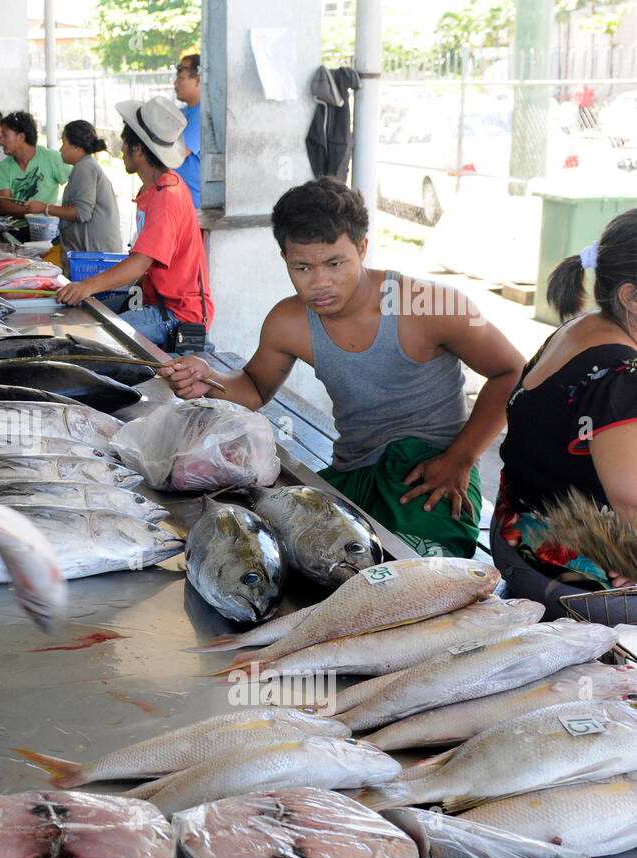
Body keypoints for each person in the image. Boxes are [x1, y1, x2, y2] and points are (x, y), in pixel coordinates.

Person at [154, 176, 525, 558]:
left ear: (362, 249)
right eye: (303, 268)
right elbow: (254, 386)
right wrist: (208, 379)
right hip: (353, 472)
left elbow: (513, 371)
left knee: (415, 579)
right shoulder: (288, 321)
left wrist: (460, 458)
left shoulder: (430, 303)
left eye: (335, 263)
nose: (320, 283)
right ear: (284, 259)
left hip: (432, 475)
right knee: (265, 556)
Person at [493, 210, 637, 616]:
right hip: (565, 571)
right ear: (630, 295)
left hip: (515, 532)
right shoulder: (622, 373)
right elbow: (631, 502)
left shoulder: (581, 329)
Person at [57, 96, 210, 353]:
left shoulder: (166, 198)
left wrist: (86, 286)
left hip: (175, 313)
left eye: (125, 143)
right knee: (87, 315)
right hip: (154, 301)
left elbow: (139, 263)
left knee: (95, 341)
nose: (121, 149)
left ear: (138, 149)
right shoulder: (157, 188)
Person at [24, 120, 121, 261]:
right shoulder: (84, 166)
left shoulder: (85, 168)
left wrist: (45, 208)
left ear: (76, 147)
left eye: (64, 143)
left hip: (93, 256)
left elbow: (82, 213)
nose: (60, 150)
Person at [0, 111, 70, 218]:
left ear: (21, 137)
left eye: (5, 135)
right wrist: (40, 210)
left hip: (48, 229)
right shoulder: (2, 167)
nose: (1, 141)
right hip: (16, 229)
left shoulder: (52, 158)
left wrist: (52, 209)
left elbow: (79, 183)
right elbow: (3, 207)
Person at [175, 53, 202, 208]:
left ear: (198, 79)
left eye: (181, 78)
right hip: (179, 203)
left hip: (192, 207)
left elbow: (174, 155)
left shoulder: (200, 116)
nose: (175, 83)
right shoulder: (183, 113)